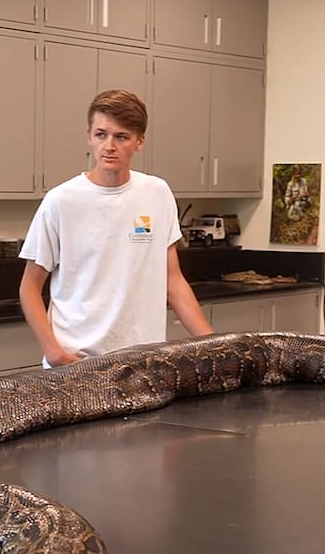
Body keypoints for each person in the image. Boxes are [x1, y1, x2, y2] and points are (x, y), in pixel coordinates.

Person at [19, 90, 212, 367]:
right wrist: (54, 352)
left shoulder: (157, 193)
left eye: (121, 137)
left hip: (144, 362)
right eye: (101, 134)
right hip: (77, 362)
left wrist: (214, 344)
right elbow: (29, 287)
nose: (109, 145)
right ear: (89, 136)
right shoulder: (61, 201)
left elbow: (173, 280)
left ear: (139, 142)